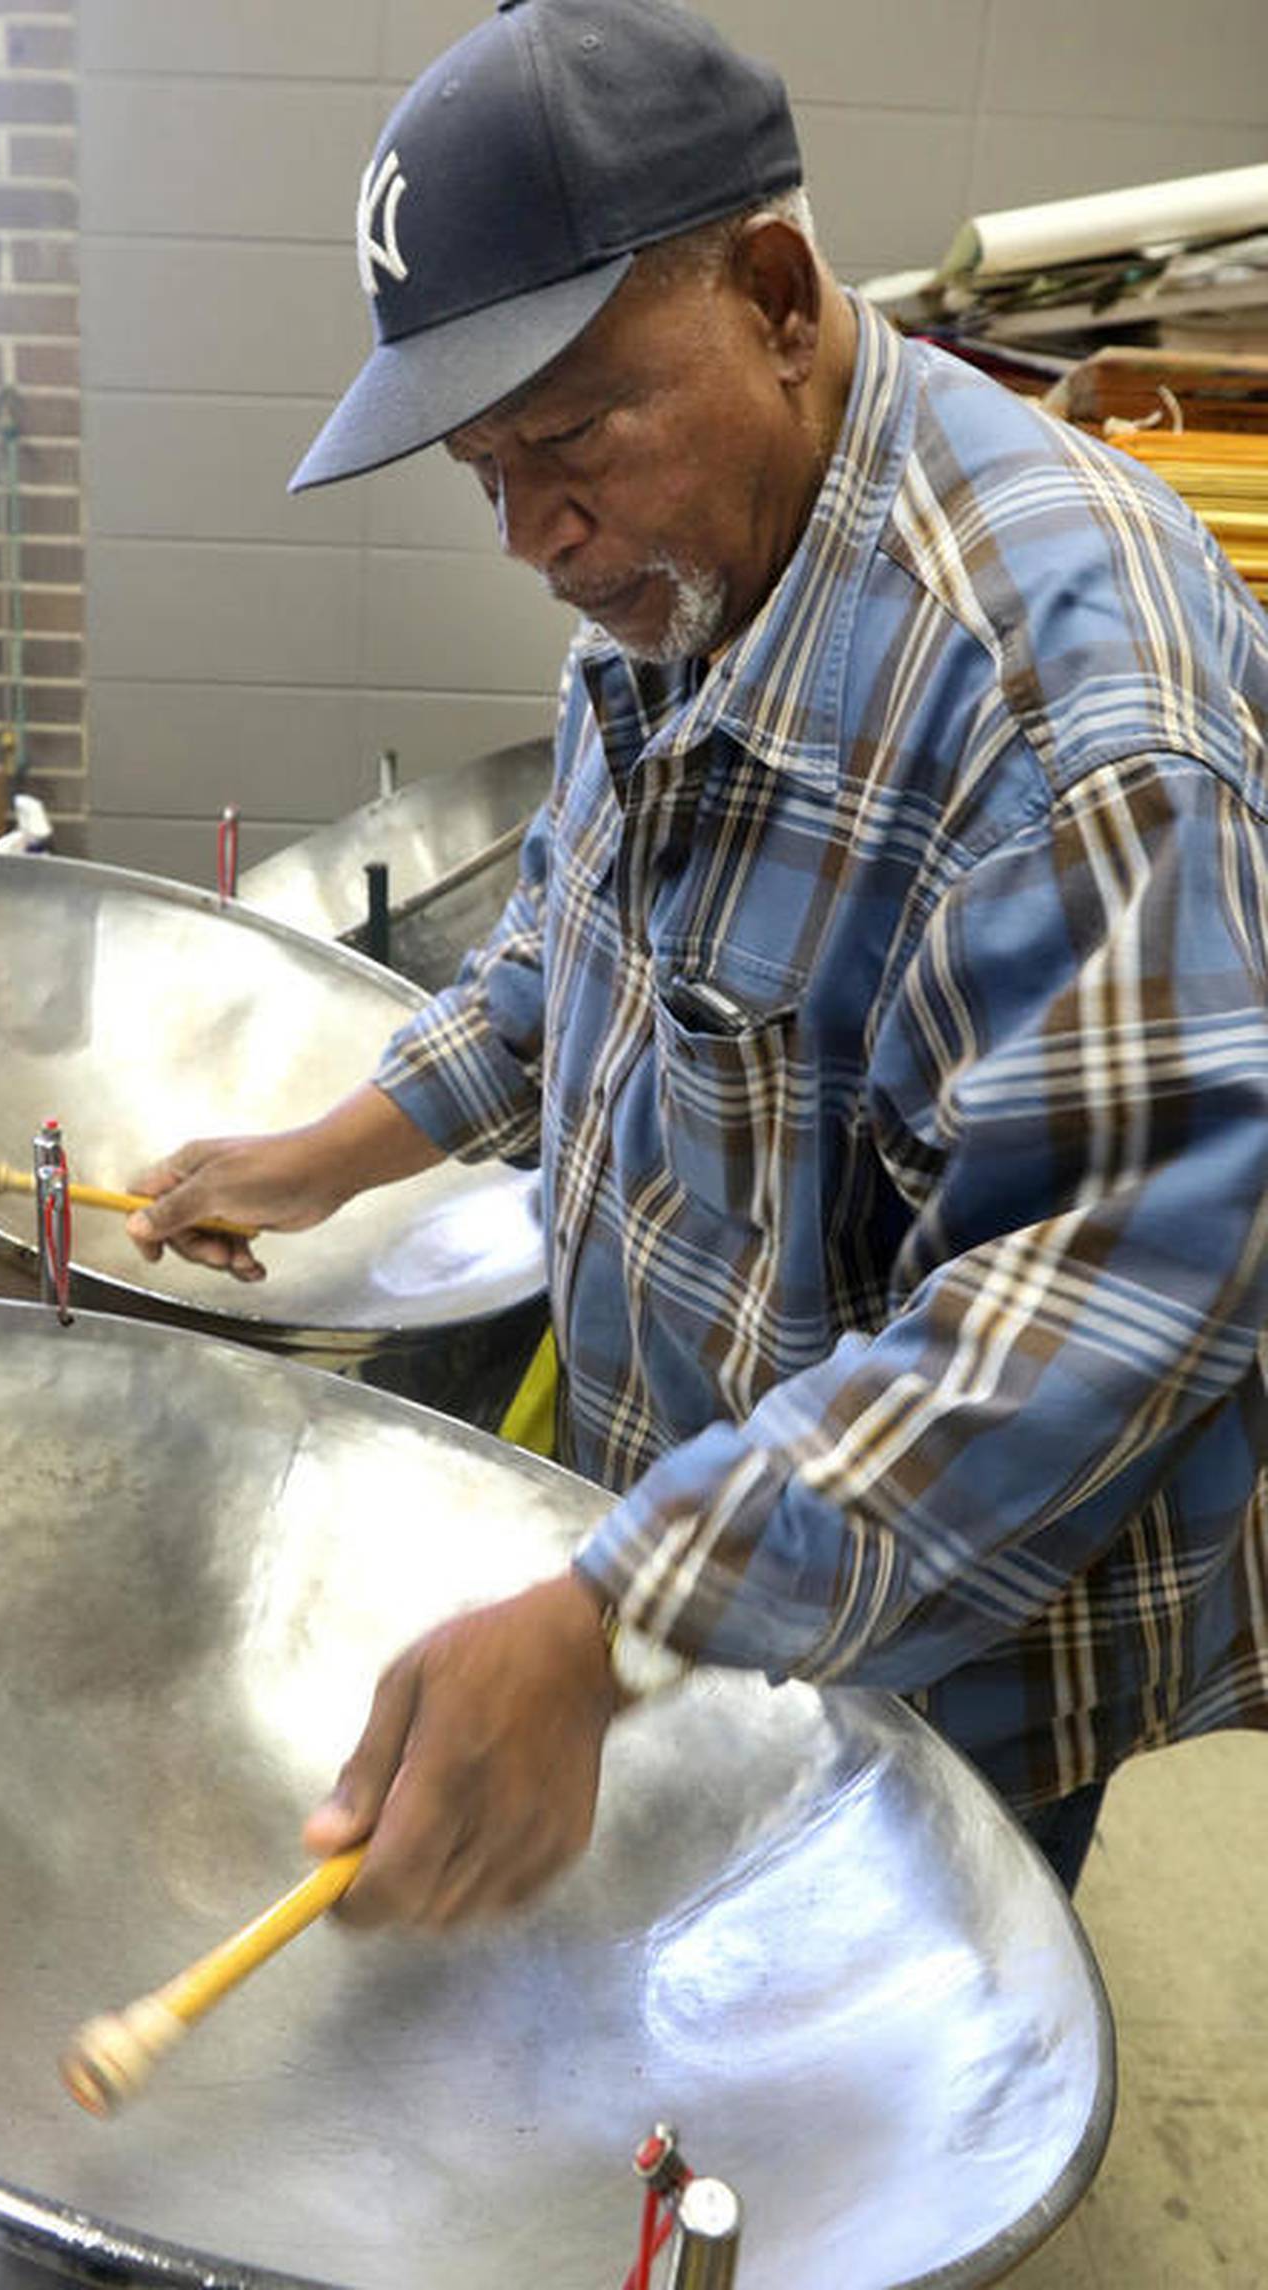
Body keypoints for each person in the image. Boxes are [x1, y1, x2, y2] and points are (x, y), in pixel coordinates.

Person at [128, 0, 1268, 1924]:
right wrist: (319, 1157)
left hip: (946, 1668)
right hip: (705, 1573)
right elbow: (572, 949)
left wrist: (608, 1617)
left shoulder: (1068, 705)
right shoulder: (690, 566)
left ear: (774, 293)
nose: (532, 538)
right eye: (482, 468)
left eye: (568, 439)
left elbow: (1102, 1300)